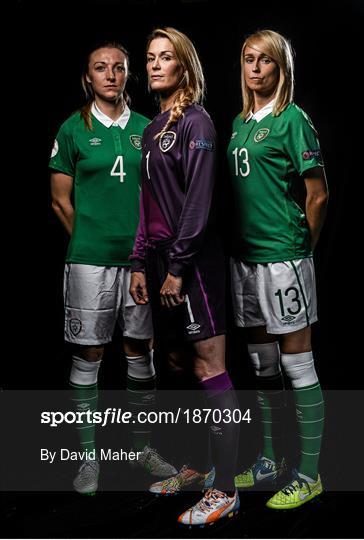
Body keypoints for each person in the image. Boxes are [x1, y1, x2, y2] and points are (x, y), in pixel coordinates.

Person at [49, 41, 177, 495]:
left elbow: (162, 198)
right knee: (89, 356)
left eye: (118, 68)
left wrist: (144, 252)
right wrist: (90, 241)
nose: (110, 75)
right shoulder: (72, 130)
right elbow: (60, 201)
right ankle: (88, 460)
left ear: (128, 75)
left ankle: (143, 449)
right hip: (89, 263)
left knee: (141, 353)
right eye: (100, 68)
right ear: (89, 77)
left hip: (141, 263)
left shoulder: (150, 127)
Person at [129, 27, 240, 526]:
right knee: (176, 362)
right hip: (157, 264)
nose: (154, 65)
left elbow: (198, 203)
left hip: (192, 262)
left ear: (184, 67)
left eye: (165, 57)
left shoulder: (197, 122)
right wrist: (139, 263)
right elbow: (146, 203)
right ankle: (200, 467)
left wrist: (177, 267)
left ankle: (226, 488)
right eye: (150, 58)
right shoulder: (153, 130)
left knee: (208, 367)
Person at [227, 29, 328, 509]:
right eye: (249, 59)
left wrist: (301, 248)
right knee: (262, 366)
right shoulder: (237, 124)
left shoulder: (293, 120)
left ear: (279, 67)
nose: (255, 68)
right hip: (244, 260)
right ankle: (270, 461)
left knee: (296, 363)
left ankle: (308, 474)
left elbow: (318, 193)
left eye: (264, 60)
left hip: (284, 258)